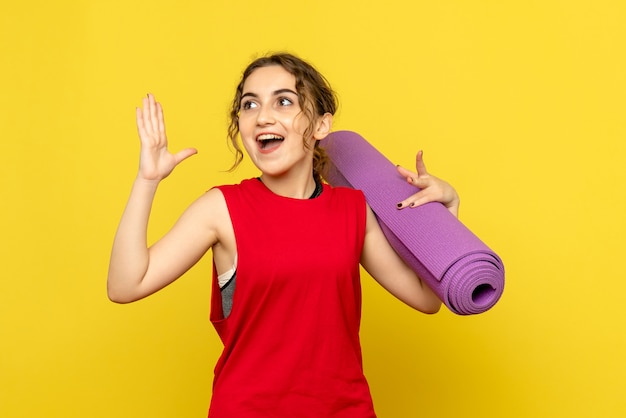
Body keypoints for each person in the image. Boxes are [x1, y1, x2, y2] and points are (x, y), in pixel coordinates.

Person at [107, 53, 460, 417]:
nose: (263, 116)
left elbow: (426, 299)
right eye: (249, 104)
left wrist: (446, 214)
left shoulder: (354, 210)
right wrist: (147, 181)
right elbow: (125, 285)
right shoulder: (221, 209)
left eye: (284, 101)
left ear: (322, 125)